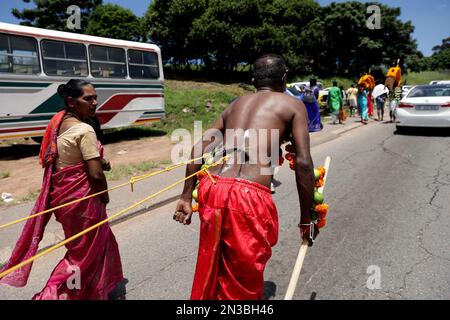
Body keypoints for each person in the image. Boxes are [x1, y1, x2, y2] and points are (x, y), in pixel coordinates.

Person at [173, 54, 317, 300]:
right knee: (243, 283)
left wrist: (186, 196)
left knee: (213, 268)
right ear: (284, 79)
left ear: (253, 80)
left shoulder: (235, 104)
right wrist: (307, 218)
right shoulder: (293, 105)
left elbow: (198, 149)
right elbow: (303, 162)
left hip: (213, 187)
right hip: (249, 196)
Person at [0, 79, 124, 300]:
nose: (94, 102)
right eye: (88, 99)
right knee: (83, 254)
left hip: (64, 198)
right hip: (84, 200)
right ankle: (53, 294)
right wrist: (104, 196)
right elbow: (95, 175)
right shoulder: (84, 130)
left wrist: (100, 162)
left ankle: (89, 291)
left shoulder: (58, 121)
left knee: (89, 247)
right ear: (71, 101)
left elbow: (69, 158)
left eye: (95, 97)